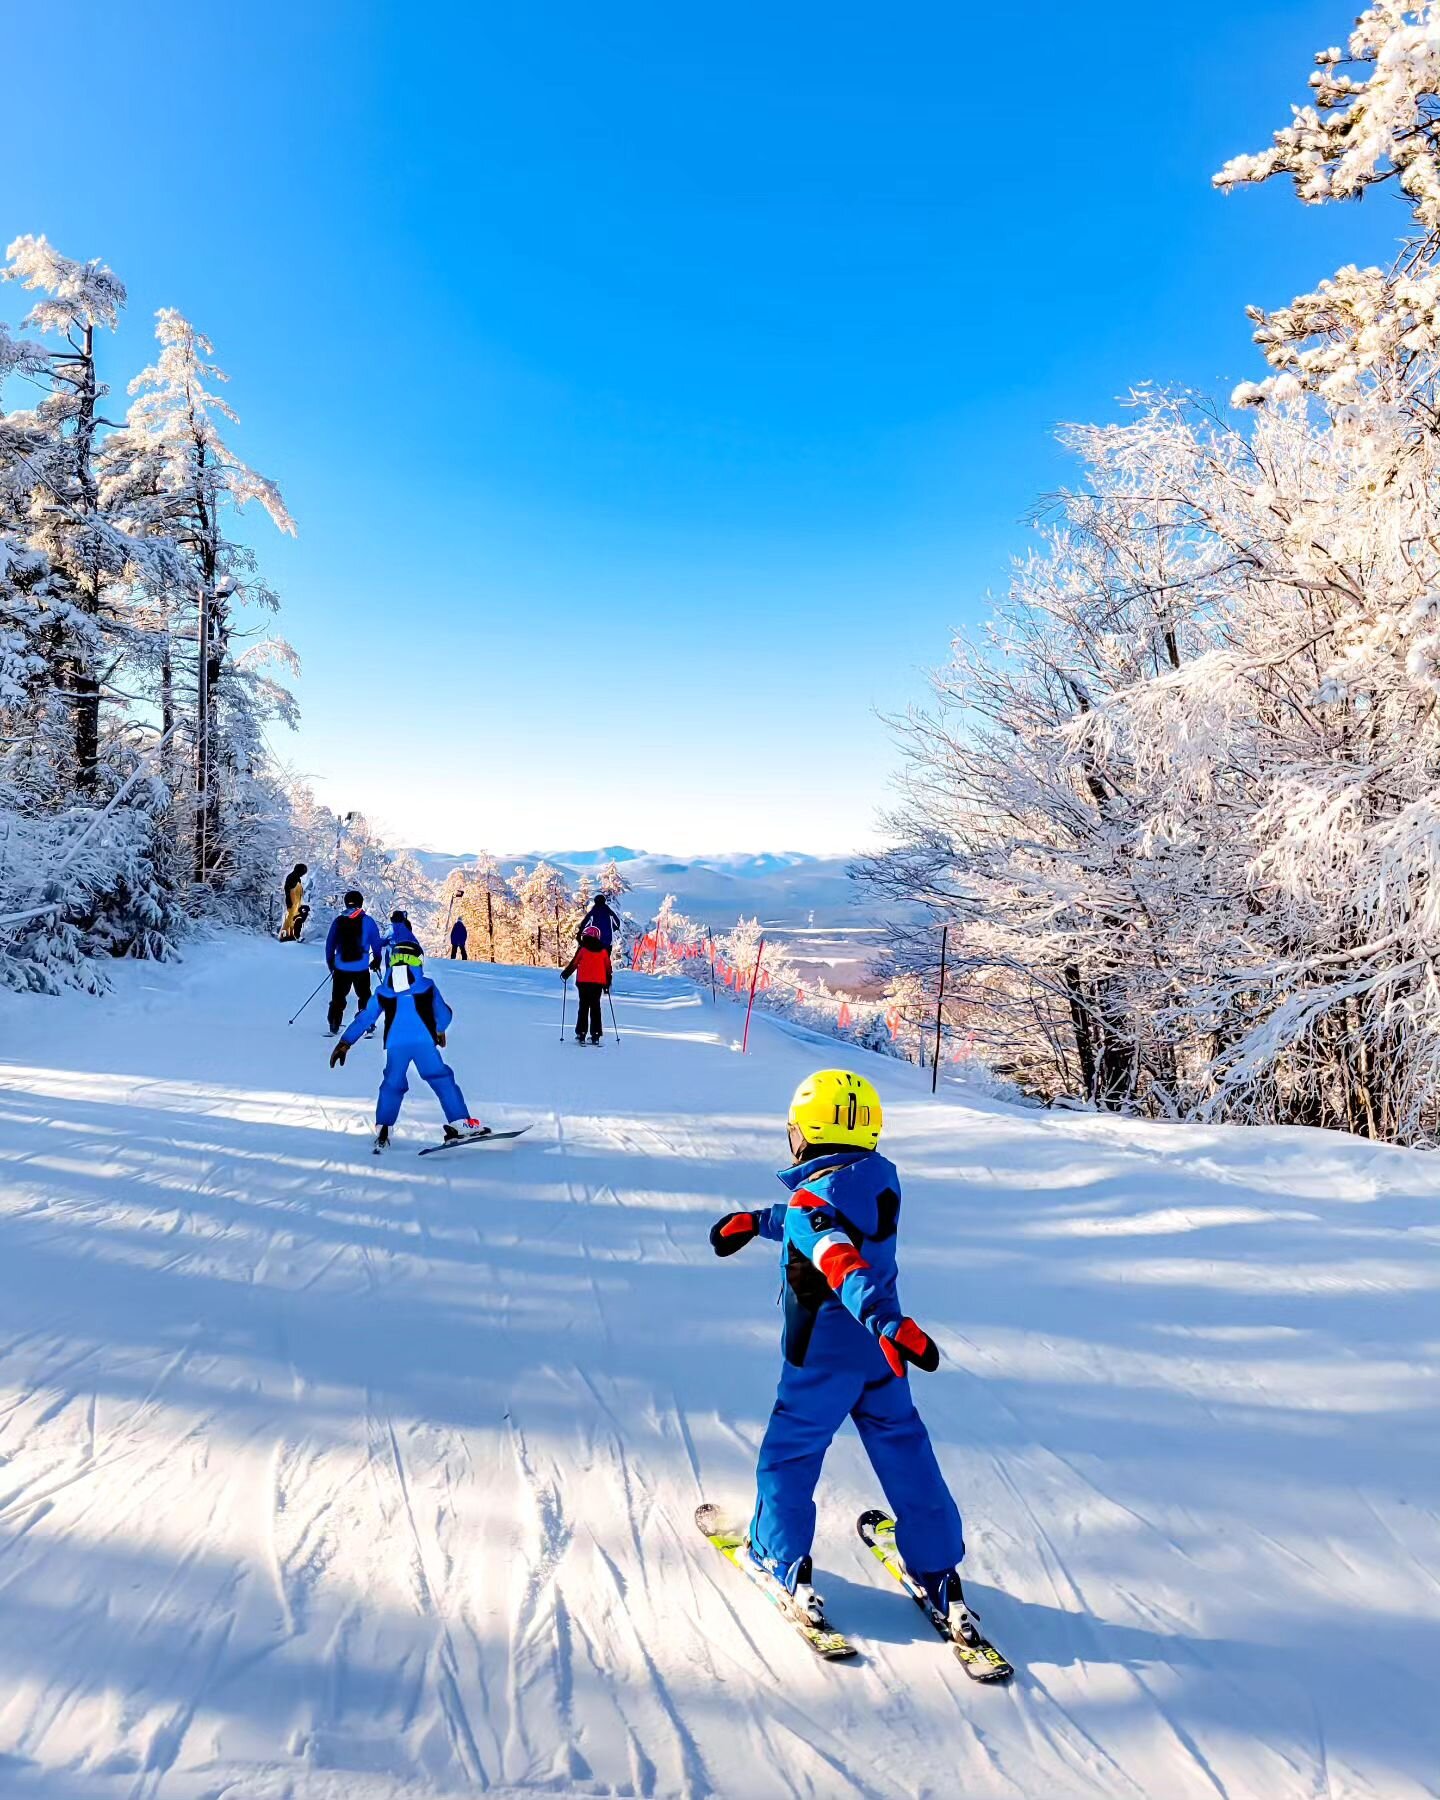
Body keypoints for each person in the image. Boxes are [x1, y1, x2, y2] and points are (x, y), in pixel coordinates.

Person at [707, 1069, 970, 1637]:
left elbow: (834, 1253)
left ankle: (782, 1561)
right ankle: (938, 1569)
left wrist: (885, 1317)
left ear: (806, 1132)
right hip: (882, 1359)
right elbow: (823, 1220)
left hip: (822, 1362)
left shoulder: (812, 1205)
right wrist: (756, 1222)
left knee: (789, 1457)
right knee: (906, 1454)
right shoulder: (873, 1184)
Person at [328, 943, 488, 1153]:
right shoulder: (427, 986)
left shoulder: (384, 991)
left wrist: (345, 1042)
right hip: (423, 1042)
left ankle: (384, 1127)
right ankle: (460, 1124)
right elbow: (445, 1015)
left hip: (396, 1044)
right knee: (441, 1079)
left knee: (392, 1084)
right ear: (418, 961)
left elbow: (366, 1017)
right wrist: (439, 1030)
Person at [324, 889, 382, 1036]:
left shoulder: (338, 921)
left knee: (338, 997)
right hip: (361, 967)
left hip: (341, 966)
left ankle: (334, 1024)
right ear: (361, 903)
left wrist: (331, 963)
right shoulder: (368, 921)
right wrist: (377, 958)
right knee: (364, 996)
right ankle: (367, 1025)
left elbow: (330, 943)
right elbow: (376, 942)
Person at [561, 923, 611, 1044]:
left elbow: (574, 963)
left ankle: (581, 1033)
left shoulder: (583, 950)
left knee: (583, 1007)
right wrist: (607, 984)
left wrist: (565, 974)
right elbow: (608, 969)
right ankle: (596, 1035)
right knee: (595, 1008)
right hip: (598, 984)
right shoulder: (603, 951)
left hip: (583, 983)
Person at [280, 862, 308, 941]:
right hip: (292, 902)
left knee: (293, 918)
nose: (303, 874)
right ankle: (284, 936)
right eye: (303, 872)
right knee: (290, 918)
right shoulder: (293, 877)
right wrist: (292, 902)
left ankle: (291, 935)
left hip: (295, 902)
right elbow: (290, 890)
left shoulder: (296, 877)